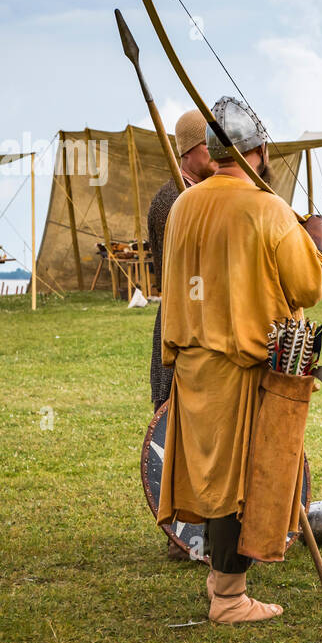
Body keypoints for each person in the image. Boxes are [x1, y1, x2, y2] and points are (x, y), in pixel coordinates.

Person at [158, 96, 322, 624]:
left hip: (192, 364)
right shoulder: (267, 207)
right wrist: (314, 243)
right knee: (240, 485)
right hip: (245, 367)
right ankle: (229, 599)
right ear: (255, 150)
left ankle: (219, 583)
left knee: (213, 481)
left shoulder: (184, 204)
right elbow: (308, 286)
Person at [148, 110, 217, 561]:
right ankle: (182, 533)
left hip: (211, 323)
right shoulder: (170, 199)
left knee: (212, 431)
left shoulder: (208, 193)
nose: (217, 154)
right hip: (181, 322)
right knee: (178, 428)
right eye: (210, 146)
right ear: (192, 150)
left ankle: (218, 528)